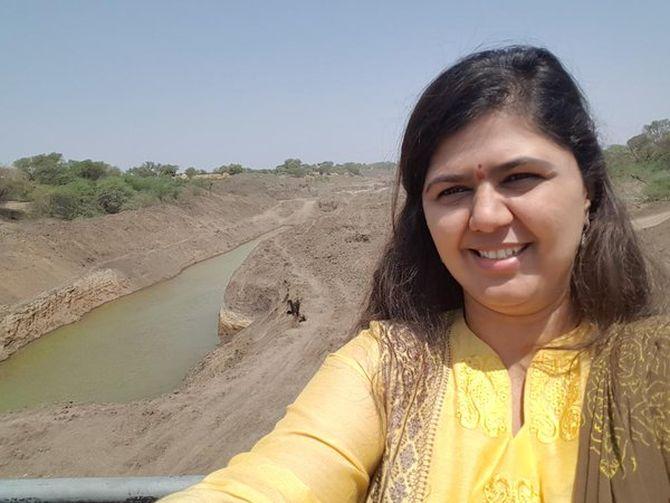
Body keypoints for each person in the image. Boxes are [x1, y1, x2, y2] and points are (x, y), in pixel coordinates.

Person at [162, 46, 669, 502]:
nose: (487, 216)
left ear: (589, 189)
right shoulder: (382, 369)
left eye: (519, 178)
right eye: (452, 191)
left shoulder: (656, 368)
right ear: (423, 216)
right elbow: (269, 483)